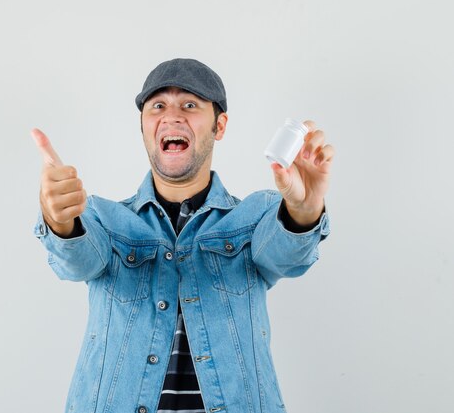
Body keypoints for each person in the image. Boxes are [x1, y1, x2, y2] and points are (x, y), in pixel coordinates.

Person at [32, 58, 334, 413]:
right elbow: (77, 260)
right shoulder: (102, 217)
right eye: (157, 106)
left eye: (189, 105)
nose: (172, 116)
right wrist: (59, 219)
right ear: (144, 127)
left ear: (219, 126)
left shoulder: (254, 217)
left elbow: (286, 254)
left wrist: (303, 209)